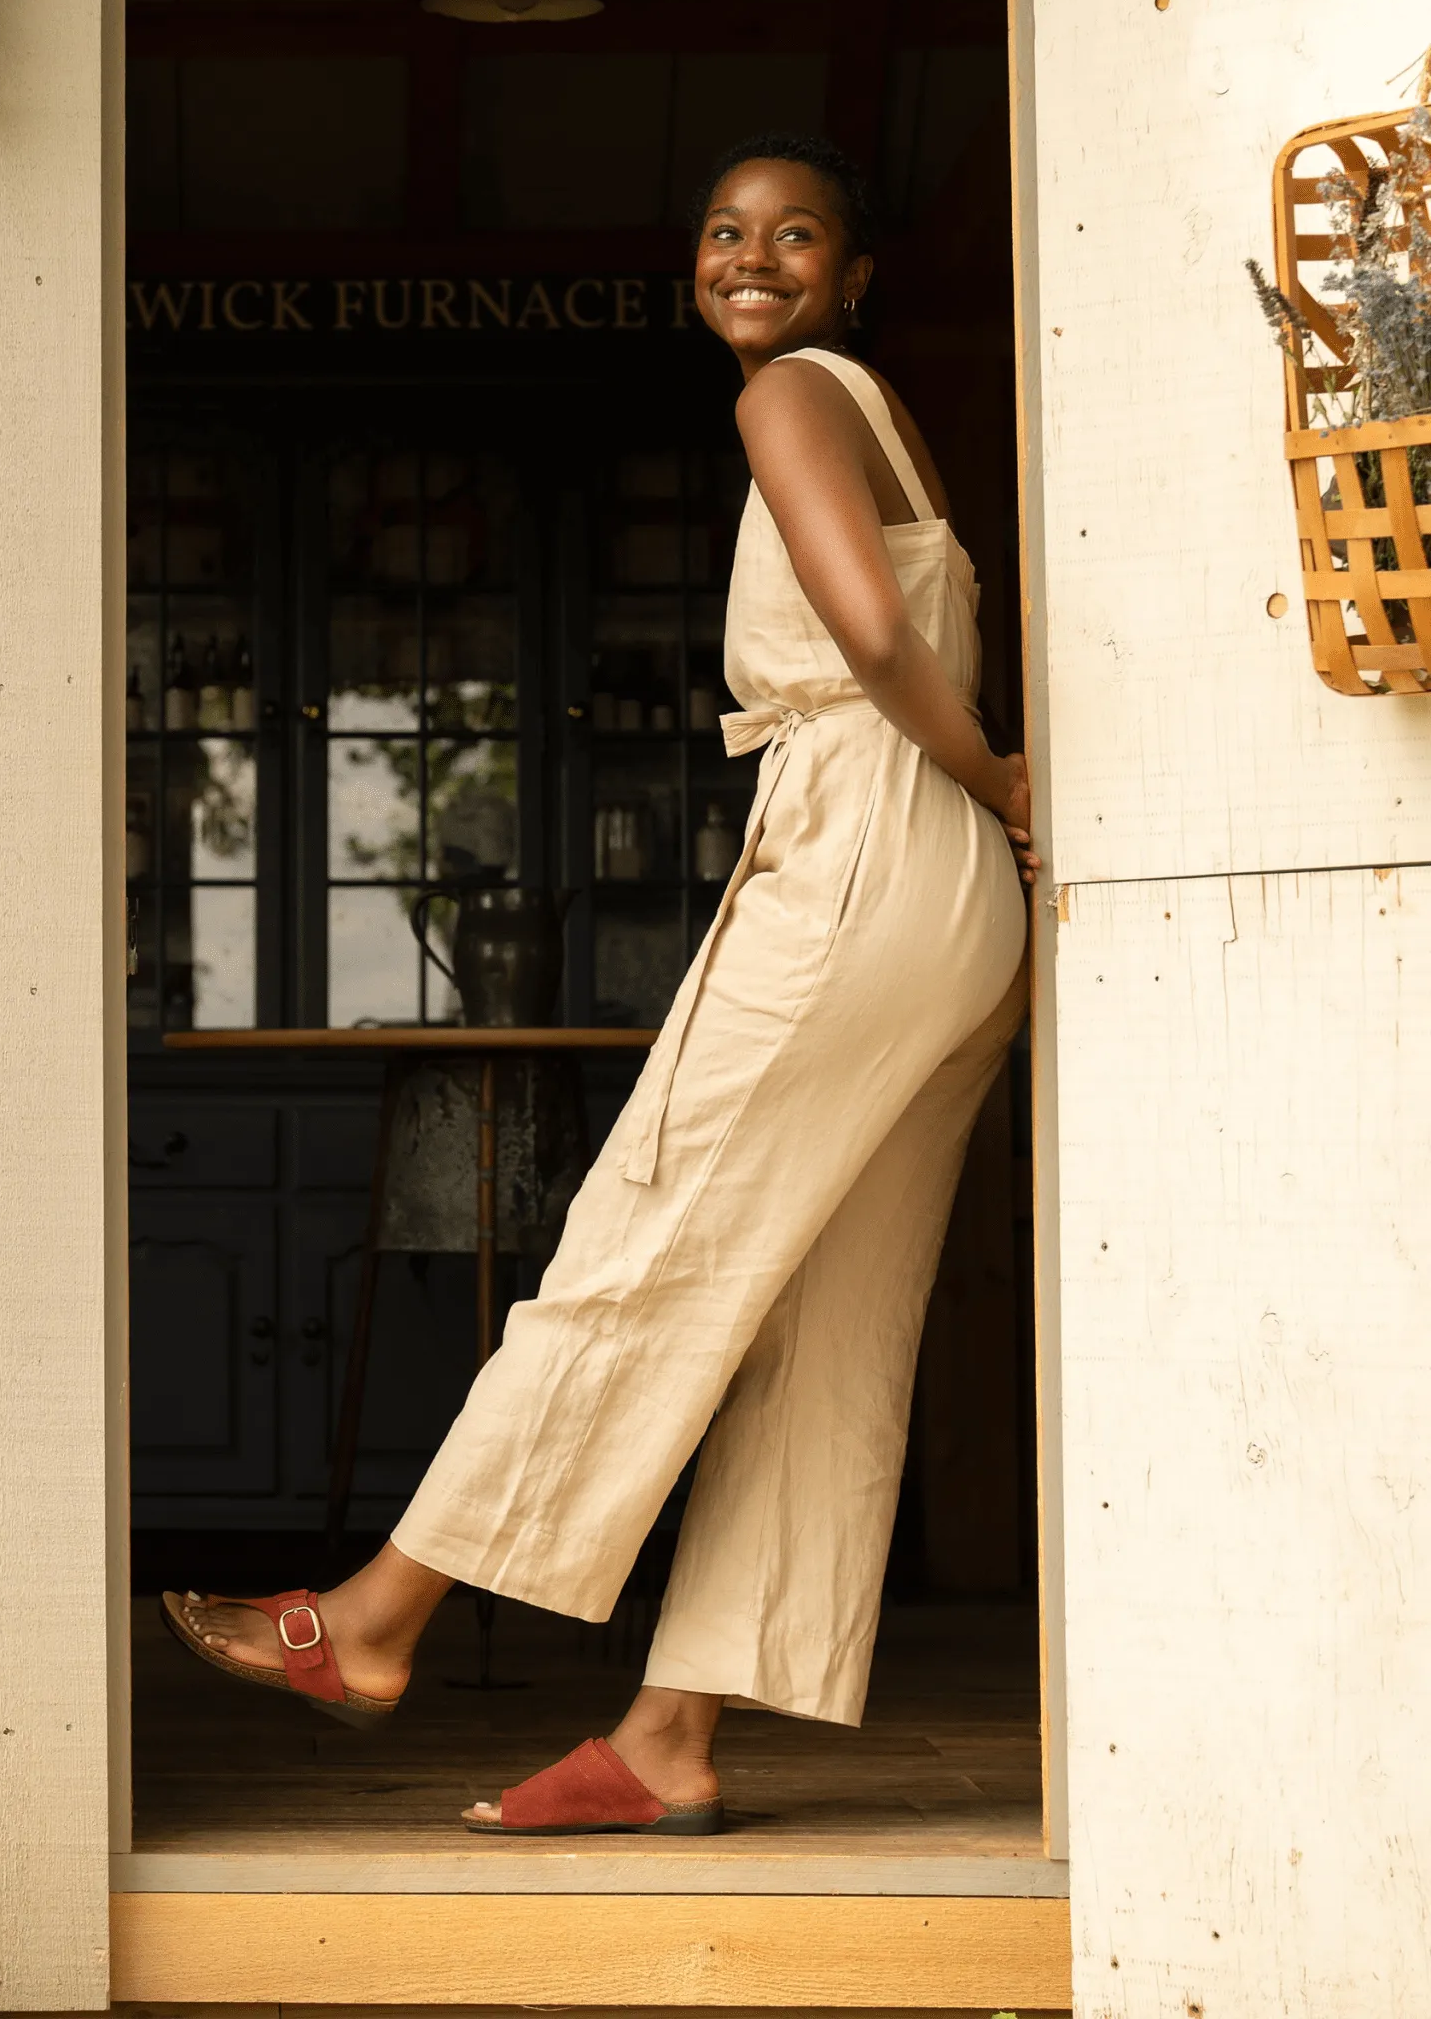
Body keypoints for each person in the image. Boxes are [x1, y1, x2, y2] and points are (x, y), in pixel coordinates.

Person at [164, 133, 1038, 1838]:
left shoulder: (790, 396)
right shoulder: (888, 415)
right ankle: (671, 1735)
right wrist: (989, 795)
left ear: (854, 279)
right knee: (822, 1320)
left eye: (797, 234)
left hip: (868, 844)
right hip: (954, 906)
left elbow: (872, 637)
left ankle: (379, 1619)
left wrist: (995, 773)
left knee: (644, 1237)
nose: (752, 257)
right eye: (724, 231)